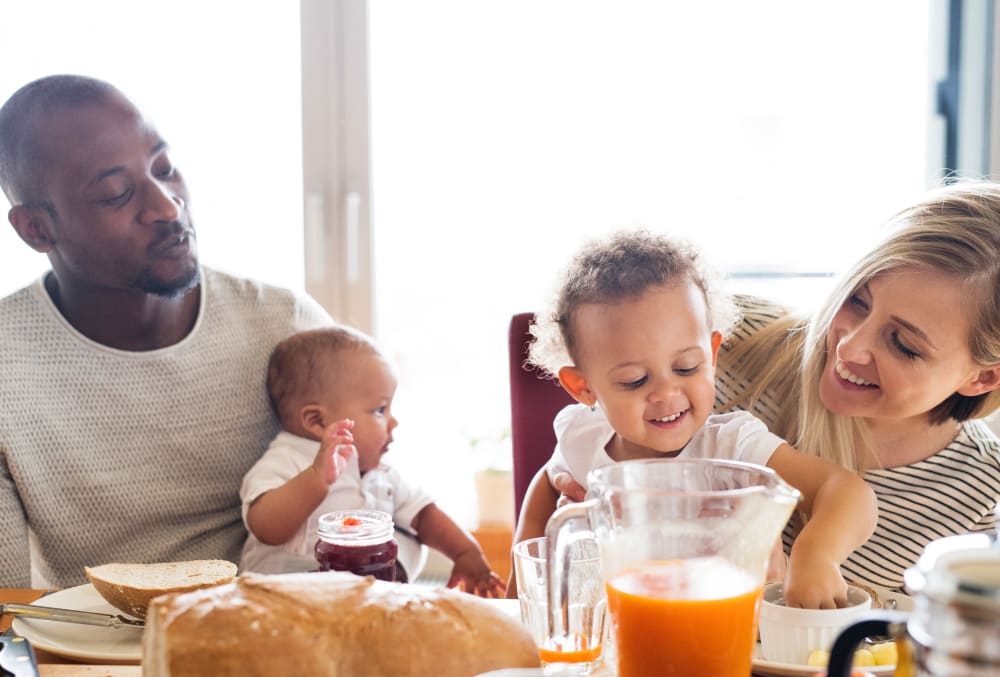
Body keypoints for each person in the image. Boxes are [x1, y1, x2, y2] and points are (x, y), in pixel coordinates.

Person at [544, 181, 1000, 594]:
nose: (848, 348)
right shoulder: (716, 346)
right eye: (858, 300)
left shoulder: (983, 491)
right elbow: (593, 380)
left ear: (982, 377)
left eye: (903, 344)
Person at [0, 74, 332, 588]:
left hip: (278, 633)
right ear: (37, 229)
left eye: (165, 169)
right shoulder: (7, 365)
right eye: (115, 194)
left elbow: (376, 506)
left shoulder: (286, 326)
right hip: (91, 655)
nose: (167, 206)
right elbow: (6, 607)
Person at [510, 230, 877, 608]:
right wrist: (520, 580)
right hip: (612, 645)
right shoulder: (582, 436)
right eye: (635, 380)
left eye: (686, 368)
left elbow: (848, 491)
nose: (667, 394)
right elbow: (547, 483)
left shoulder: (734, 447)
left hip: (721, 639)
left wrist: (815, 555)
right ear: (582, 386)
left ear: (713, 354)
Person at [240, 325, 506, 596]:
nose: (393, 421)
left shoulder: (381, 472)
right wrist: (316, 478)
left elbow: (425, 516)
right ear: (317, 421)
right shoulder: (285, 460)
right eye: (380, 410)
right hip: (283, 598)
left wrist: (465, 553)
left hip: (360, 597)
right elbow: (266, 528)